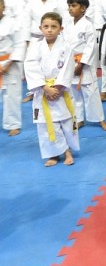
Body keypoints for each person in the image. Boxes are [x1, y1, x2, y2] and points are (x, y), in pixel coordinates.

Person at [24, 12, 79, 167]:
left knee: (65, 121)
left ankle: (67, 151)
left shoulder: (66, 47)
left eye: (53, 27)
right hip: (43, 90)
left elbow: (68, 68)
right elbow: (30, 66)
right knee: (45, 123)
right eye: (46, 26)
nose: (49, 30)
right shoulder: (35, 47)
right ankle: (53, 154)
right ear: (40, 28)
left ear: (61, 29)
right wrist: (44, 87)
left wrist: (58, 87)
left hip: (60, 90)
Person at [64, 0, 106, 131]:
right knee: (74, 93)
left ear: (83, 8)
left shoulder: (88, 25)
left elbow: (91, 47)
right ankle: (78, 119)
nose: (70, 8)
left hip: (84, 64)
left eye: (74, 6)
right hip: (70, 62)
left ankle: (100, 119)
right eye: (69, 6)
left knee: (91, 93)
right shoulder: (67, 24)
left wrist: (82, 64)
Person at [0, 0, 26, 136]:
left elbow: (20, 45)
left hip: (10, 63)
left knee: (12, 95)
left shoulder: (13, 23)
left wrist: (8, 64)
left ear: (3, 7)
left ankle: (13, 124)